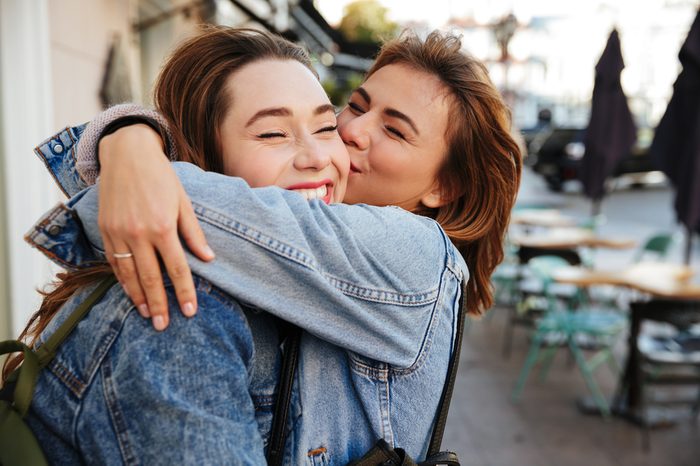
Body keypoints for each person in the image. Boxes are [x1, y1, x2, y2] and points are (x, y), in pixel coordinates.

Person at [12, 26, 521, 464]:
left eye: (394, 130)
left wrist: (126, 144)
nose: (348, 135)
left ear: (443, 189)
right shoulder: (192, 305)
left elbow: (165, 199)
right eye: (351, 110)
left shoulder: (416, 255)